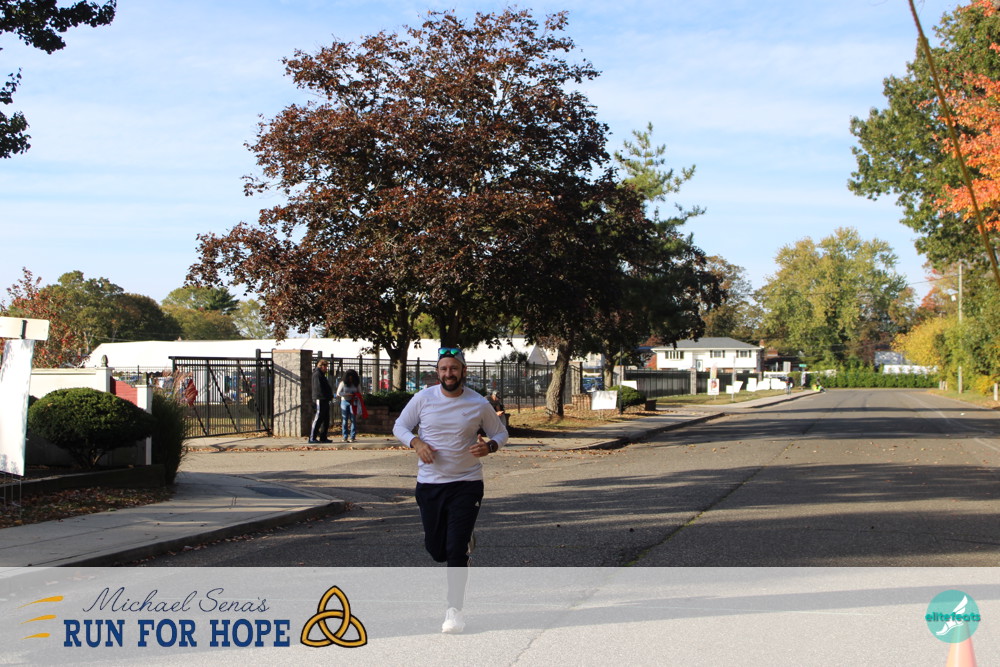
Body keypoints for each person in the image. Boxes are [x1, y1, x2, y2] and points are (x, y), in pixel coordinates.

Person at [393, 347, 508, 634]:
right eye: (444, 369)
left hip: (467, 483)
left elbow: (500, 432)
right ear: (438, 372)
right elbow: (400, 426)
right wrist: (416, 443)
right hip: (430, 484)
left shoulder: (478, 402)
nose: (449, 374)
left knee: (455, 549)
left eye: (454, 368)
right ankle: (462, 539)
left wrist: (491, 446)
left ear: (463, 371)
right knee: (437, 550)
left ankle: (454, 610)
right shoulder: (423, 398)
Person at [308, 359, 333, 443]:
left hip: (325, 399)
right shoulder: (317, 374)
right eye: (325, 367)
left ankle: (323, 437)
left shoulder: (321, 375)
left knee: (326, 419)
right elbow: (318, 388)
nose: (326, 368)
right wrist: (325, 395)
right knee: (318, 418)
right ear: (321, 366)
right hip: (320, 399)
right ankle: (312, 437)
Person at [336, 369, 362, 443]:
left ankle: (352, 437)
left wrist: (356, 396)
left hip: (353, 402)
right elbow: (338, 393)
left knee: (353, 419)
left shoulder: (356, 384)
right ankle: (345, 436)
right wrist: (346, 394)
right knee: (345, 420)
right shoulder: (343, 383)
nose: (351, 379)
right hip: (344, 401)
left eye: (352, 378)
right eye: (350, 378)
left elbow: (360, 393)